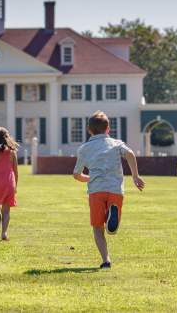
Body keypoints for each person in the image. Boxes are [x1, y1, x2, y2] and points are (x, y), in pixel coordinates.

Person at [73, 111, 145, 269]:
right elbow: (131, 154)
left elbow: (76, 174)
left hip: (96, 190)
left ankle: (106, 260)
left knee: (98, 228)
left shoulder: (84, 148)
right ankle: (113, 212)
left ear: (89, 130)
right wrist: (135, 176)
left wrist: (89, 178)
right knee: (113, 220)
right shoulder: (116, 143)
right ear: (108, 129)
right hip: (115, 189)